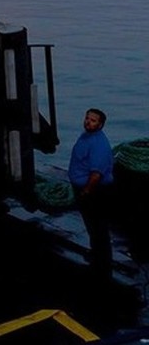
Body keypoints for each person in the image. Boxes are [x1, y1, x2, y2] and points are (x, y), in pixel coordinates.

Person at [68, 108, 115, 275]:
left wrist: (86, 191)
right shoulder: (86, 136)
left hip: (95, 192)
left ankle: (102, 265)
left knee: (98, 228)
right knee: (92, 227)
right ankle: (96, 255)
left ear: (100, 125)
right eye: (87, 118)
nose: (88, 122)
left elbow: (96, 174)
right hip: (86, 188)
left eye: (93, 120)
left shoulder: (99, 144)